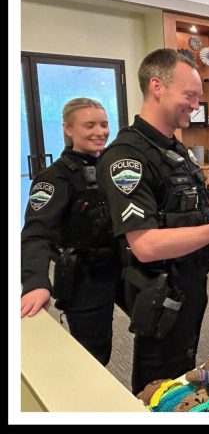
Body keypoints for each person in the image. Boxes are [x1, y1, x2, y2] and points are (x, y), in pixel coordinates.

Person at [97, 49, 209, 394]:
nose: (195, 105)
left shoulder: (175, 151)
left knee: (184, 371)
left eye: (198, 98)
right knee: (159, 385)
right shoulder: (127, 157)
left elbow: (203, 208)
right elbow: (145, 245)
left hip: (192, 282)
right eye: (189, 96)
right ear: (157, 86)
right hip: (159, 293)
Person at [21, 98, 121, 365]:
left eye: (104, 124)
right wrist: (35, 282)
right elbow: (36, 233)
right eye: (90, 125)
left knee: (156, 324)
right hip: (85, 275)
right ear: (68, 128)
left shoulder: (114, 168)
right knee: (94, 353)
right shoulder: (54, 178)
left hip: (123, 264)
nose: (100, 132)